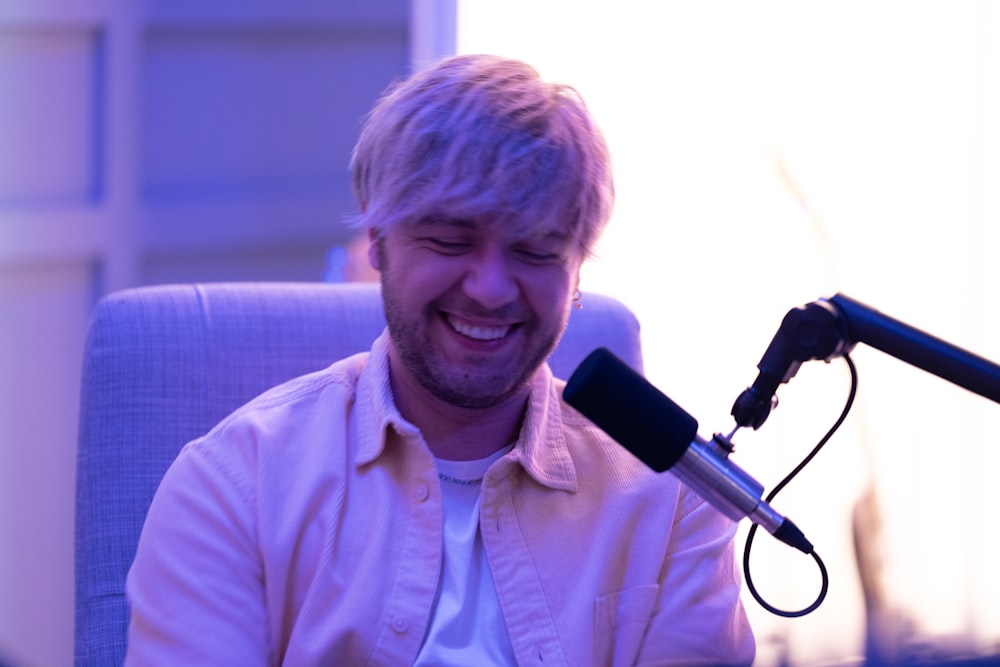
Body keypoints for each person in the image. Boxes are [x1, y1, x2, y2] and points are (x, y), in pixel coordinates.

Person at [125, 54, 755, 665]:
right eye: (450, 241)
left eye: (536, 252)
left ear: (576, 271)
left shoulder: (672, 499)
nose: (490, 288)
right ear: (377, 244)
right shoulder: (234, 486)